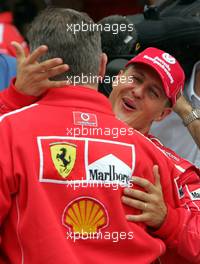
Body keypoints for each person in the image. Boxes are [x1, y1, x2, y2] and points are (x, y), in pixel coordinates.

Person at [0, 7, 187, 264]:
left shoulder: (10, 131)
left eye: (153, 92)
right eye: (135, 78)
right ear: (105, 68)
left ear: (165, 113)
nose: (138, 92)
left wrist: (169, 220)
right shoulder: (153, 157)